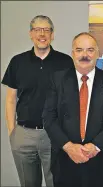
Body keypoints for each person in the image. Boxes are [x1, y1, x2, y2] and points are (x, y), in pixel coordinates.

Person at [42, 32, 103, 187]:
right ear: (72, 53)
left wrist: (95, 146)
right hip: (65, 160)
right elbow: (49, 117)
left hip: (100, 161)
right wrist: (68, 146)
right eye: (79, 50)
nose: (84, 55)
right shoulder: (56, 79)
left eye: (90, 50)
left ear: (97, 53)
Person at [1, 15, 74, 187]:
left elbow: (72, 100)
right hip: (24, 135)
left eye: (46, 30)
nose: (42, 34)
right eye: (37, 30)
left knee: (57, 183)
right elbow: (11, 99)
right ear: (30, 34)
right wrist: (13, 133)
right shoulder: (17, 62)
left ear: (52, 34)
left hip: (55, 136)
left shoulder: (65, 62)